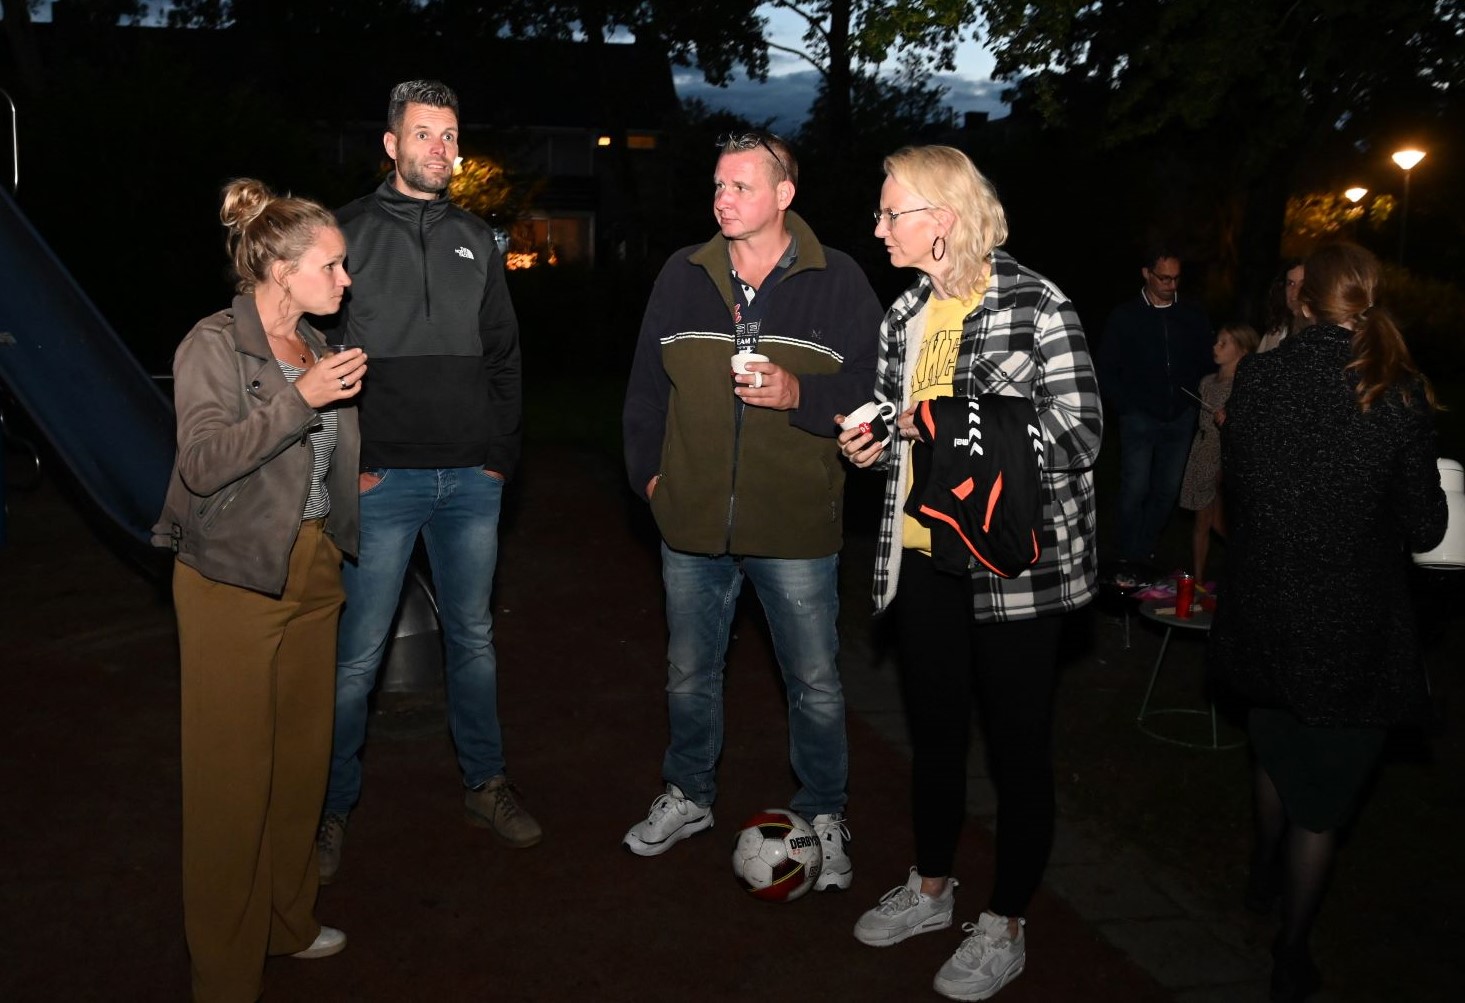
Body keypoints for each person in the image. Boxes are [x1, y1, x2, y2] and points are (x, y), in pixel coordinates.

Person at [839, 146, 1102, 1001]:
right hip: (924, 560)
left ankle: (1006, 920)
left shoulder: (1036, 304)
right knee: (936, 737)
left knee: (1017, 748)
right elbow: (904, 434)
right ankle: (930, 887)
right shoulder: (903, 315)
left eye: (891, 212)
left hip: (1014, 571)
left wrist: (948, 419)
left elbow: (1080, 432)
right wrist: (875, 443)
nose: (878, 227)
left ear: (940, 219)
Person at [620, 130, 882, 888]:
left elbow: (876, 391)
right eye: (718, 185)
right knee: (688, 673)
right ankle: (689, 794)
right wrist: (652, 481)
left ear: (783, 194)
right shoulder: (683, 274)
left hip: (794, 524)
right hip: (691, 521)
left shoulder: (839, 280)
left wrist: (800, 394)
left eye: (740, 186)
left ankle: (824, 810)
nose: (722, 199)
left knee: (814, 681)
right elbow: (644, 391)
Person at [1208, 243, 1446, 1002]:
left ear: (1301, 300)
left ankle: (1259, 875)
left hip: (1265, 612)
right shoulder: (1393, 391)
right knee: (1320, 805)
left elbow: (1241, 487)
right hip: (1350, 627)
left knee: (1277, 750)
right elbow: (1425, 526)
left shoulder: (1258, 377)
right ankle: (1291, 952)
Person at [153, 178, 368, 1000]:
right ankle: (225, 971)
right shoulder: (213, 344)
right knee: (230, 783)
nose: (345, 279)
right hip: (233, 579)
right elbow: (203, 463)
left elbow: (314, 462)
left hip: (312, 568)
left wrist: (347, 494)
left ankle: (287, 920)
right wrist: (298, 400)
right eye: (332, 265)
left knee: (298, 767)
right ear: (280, 269)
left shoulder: (314, 342)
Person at [318, 79, 536, 882]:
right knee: (357, 658)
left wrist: (499, 455)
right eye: (423, 134)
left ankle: (485, 783)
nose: (440, 148)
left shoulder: (477, 237)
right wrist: (354, 462)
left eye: (449, 135)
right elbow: (311, 353)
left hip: (471, 480)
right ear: (391, 143)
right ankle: (329, 807)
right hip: (382, 481)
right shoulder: (343, 231)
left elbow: (505, 355)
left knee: (472, 639)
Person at [1098, 246, 1214, 563]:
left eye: (1176, 278)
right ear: (1146, 274)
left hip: (1180, 417)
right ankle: (1126, 554)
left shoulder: (1192, 315)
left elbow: (1207, 362)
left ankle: (1144, 549)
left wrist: (1194, 400)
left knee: (1167, 490)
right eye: (1164, 278)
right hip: (1139, 417)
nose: (1171, 285)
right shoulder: (1125, 316)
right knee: (1135, 489)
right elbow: (1106, 368)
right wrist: (1125, 406)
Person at [1178, 321, 1259, 584]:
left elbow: (1252, 427)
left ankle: (1249, 565)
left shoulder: (1244, 386)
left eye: (1224, 343)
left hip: (1224, 455)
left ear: (1243, 351)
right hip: (1202, 451)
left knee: (1217, 520)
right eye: (1217, 341)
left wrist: (1231, 420)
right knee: (1203, 520)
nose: (1216, 346)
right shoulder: (1207, 382)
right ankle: (1198, 581)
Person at [1257, 259, 1305, 353]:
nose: (1295, 292)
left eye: (1303, 284)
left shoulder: (1325, 335)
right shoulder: (1274, 333)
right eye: (1291, 284)